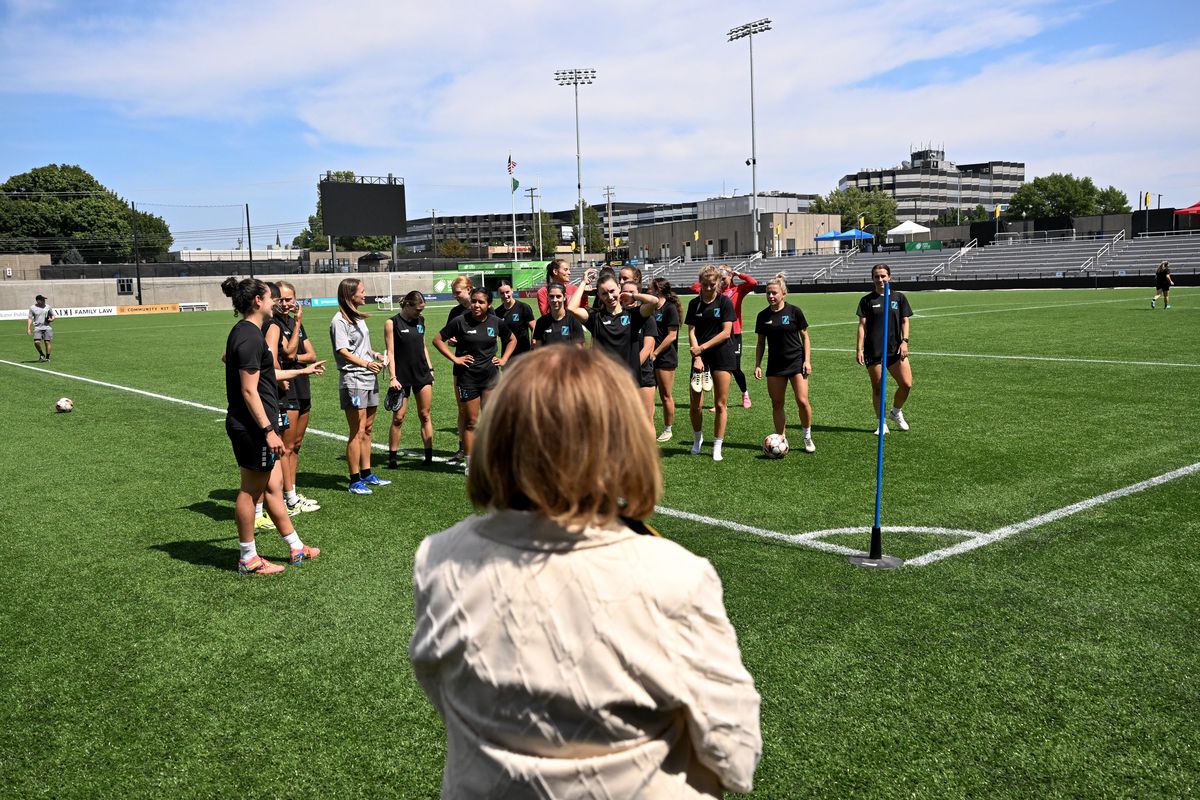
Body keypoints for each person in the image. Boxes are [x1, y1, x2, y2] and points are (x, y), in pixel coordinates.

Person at [409, 346, 762, 798]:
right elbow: (735, 756)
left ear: (499, 435)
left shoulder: (440, 557)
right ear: (623, 439)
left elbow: (444, 689)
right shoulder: (674, 575)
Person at [220, 277, 323, 575]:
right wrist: (268, 431)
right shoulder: (249, 336)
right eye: (270, 297)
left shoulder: (249, 332)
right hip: (254, 427)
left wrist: (304, 369)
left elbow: (266, 376)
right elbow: (249, 390)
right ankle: (248, 558)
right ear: (257, 301)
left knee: (274, 488)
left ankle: (295, 546)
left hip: (260, 424)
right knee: (251, 492)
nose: (275, 301)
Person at [433, 288, 517, 475]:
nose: (476, 305)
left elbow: (511, 339)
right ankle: (470, 464)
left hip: (491, 378)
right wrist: (455, 359)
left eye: (481, 302)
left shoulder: (496, 322)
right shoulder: (460, 321)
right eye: (474, 301)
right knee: (471, 422)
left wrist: (503, 359)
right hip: (468, 379)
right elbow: (438, 340)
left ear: (488, 305)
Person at [330, 278, 392, 494]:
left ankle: (367, 473)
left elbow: (359, 347)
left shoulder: (356, 317)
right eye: (362, 292)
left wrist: (373, 354)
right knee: (356, 431)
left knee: (367, 429)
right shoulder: (339, 321)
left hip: (369, 378)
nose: (365, 295)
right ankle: (354, 480)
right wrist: (366, 362)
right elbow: (343, 351)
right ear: (350, 295)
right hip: (354, 380)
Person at [754, 273, 816, 453]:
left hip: (796, 362)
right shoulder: (762, 316)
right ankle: (781, 437)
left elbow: (805, 338)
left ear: (783, 293)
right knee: (777, 403)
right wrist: (757, 364)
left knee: (802, 401)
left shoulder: (795, 311)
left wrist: (807, 361)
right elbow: (760, 343)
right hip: (774, 365)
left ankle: (807, 436)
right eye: (768, 293)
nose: (771, 296)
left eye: (774, 293)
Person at [272, 281, 320, 514]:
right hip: (285, 388)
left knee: (297, 445)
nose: (285, 303)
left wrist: (295, 358)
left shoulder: (294, 323)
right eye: (281, 299)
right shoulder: (274, 324)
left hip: (302, 385)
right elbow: (288, 353)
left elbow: (311, 355)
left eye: (289, 299)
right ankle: (287, 497)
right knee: (287, 446)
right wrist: (295, 357)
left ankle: (291, 493)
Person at [566, 270, 656, 385]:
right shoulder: (595, 317)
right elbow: (571, 308)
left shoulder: (633, 315)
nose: (610, 297)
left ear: (619, 288)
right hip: (604, 381)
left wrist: (633, 296)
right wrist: (583, 282)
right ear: (599, 295)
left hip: (629, 381)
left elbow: (654, 301)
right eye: (604, 293)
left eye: (612, 291)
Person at [856, 263, 913, 435]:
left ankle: (895, 412)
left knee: (906, 384)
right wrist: (859, 349)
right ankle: (881, 423)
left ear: (889, 277)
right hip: (874, 350)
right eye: (876, 276)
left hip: (895, 349)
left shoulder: (898, 297)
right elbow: (862, 326)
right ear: (872, 278)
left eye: (883, 276)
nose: (880, 279)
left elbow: (905, 320)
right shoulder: (867, 300)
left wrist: (905, 341)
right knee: (878, 387)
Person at [685, 265, 736, 461]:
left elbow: (725, 333)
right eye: (704, 284)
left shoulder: (724, 302)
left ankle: (717, 445)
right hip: (699, 356)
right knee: (695, 406)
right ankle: (698, 439)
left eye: (711, 284)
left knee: (720, 404)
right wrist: (697, 357)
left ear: (718, 283)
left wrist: (702, 349)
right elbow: (691, 331)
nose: (707, 288)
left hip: (722, 354)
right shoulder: (694, 304)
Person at [691, 266, 757, 409]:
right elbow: (695, 287)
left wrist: (738, 274)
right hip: (716, 335)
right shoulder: (715, 291)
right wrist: (710, 274)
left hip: (735, 333)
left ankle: (745, 393)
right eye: (720, 279)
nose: (722, 281)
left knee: (735, 367)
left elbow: (753, 283)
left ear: (731, 277)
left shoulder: (738, 290)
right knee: (716, 367)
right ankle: (719, 402)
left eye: (724, 278)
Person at [384, 290, 436, 467]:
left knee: (425, 415)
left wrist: (430, 368)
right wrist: (393, 377)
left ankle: (428, 457)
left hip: (422, 374)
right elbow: (390, 352)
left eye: (421, 310)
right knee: (398, 417)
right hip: (401, 377)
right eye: (418, 309)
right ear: (407, 305)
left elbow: (423, 346)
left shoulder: (421, 321)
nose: (420, 313)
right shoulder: (392, 323)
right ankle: (392, 457)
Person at [648, 277, 682, 442]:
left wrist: (655, 353)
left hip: (665, 357)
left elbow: (672, 336)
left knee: (665, 395)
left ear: (658, 290)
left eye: (650, 288)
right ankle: (648, 425)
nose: (648, 291)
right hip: (650, 356)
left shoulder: (670, 308)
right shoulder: (651, 307)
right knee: (648, 394)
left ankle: (668, 429)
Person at [446, 276, 474, 464]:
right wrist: (452, 341)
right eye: (454, 292)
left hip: (483, 366)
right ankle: (462, 448)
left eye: (458, 292)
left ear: (469, 290)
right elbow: (446, 338)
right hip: (461, 366)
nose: (455, 296)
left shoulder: (484, 306)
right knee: (463, 409)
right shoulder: (455, 313)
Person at [532, 282, 585, 348]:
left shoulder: (574, 321)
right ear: (547, 297)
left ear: (564, 297)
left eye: (558, 296)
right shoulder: (541, 322)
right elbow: (538, 351)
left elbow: (579, 351)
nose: (555, 300)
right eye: (551, 296)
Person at [496, 280, 536, 358]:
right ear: (498, 294)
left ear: (512, 291)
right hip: (507, 354)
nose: (505, 295)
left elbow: (534, 327)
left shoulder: (523, 307)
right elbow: (495, 333)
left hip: (523, 353)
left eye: (507, 292)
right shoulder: (497, 312)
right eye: (502, 293)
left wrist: (533, 345)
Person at [27, 294, 55, 362]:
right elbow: (30, 318)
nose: (44, 301)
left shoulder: (48, 307)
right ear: (38, 301)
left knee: (47, 342)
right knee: (36, 342)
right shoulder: (32, 308)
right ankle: (42, 354)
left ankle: (47, 358)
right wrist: (28, 328)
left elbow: (53, 316)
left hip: (47, 327)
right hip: (37, 327)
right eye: (43, 299)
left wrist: (52, 319)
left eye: (44, 299)